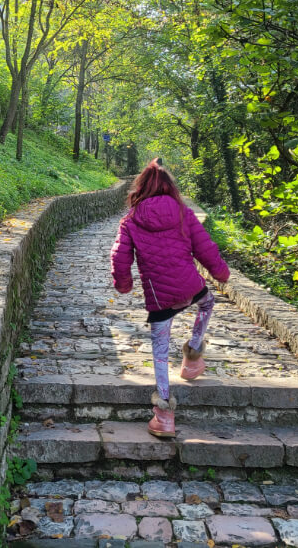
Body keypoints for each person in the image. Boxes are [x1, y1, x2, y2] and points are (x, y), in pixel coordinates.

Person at [110, 158, 230, 438]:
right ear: (169, 187)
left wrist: (124, 284)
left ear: (139, 188)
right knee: (208, 302)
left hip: (159, 298)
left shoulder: (130, 220)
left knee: (160, 353)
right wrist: (220, 272)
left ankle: (164, 416)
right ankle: (193, 357)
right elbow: (205, 247)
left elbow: (119, 257)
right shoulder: (182, 212)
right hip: (190, 286)